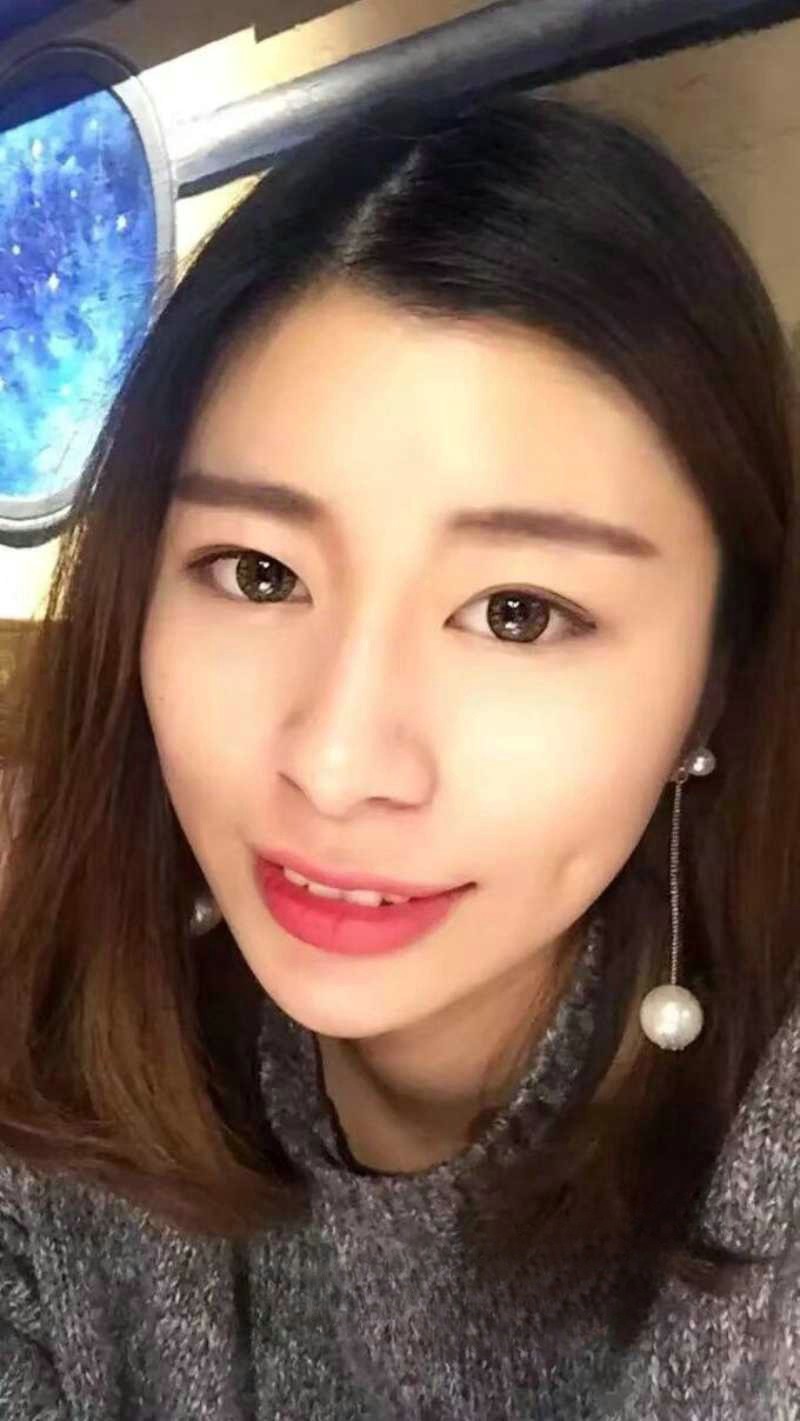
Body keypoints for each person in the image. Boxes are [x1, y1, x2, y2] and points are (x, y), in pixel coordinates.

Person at [0, 88, 797, 1419]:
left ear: (715, 683)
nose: (335, 762)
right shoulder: (49, 1078)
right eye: (258, 573)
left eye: (518, 611)